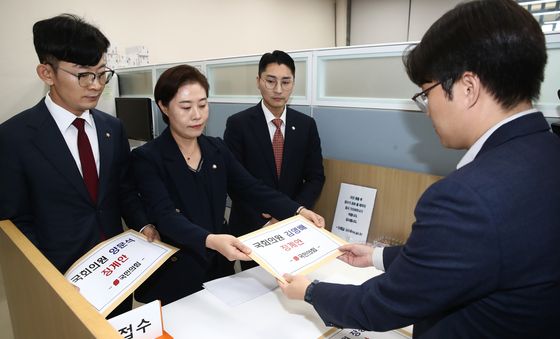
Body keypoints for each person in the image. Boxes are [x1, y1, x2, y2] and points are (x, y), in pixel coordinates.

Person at [278, 0, 560, 337]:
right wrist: (378, 257)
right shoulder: (547, 152)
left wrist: (311, 291)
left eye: (427, 93)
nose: (426, 110)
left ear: (467, 88)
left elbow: (384, 305)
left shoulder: (466, 196)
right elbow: (473, 255)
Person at [0, 14, 158, 315]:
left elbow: (123, 191)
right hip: (59, 279)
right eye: (84, 75)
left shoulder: (113, 128)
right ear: (46, 73)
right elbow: (16, 222)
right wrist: (46, 277)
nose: (96, 85)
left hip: (116, 273)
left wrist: (144, 224)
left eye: (102, 74)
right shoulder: (14, 137)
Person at [131, 64, 325, 305]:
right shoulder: (148, 157)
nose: (197, 115)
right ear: (163, 106)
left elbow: (252, 188)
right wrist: (212, 240)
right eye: (185, 107)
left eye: (202, 105)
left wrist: (298, 210)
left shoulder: (216, 149)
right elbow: (166, 217)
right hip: (176, 272)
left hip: (219, 268)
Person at [224, 51, 325, 268]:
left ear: (293, 84)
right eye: (271, 81)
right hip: (254, 228)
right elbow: (234, 180)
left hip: (294, 226)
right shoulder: (238, 124)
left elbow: (316, 176)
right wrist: (265, 219)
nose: (278, 89)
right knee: (253, 290)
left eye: (285, 82)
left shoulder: (306, 125)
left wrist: (290, 213)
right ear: (258, 81)